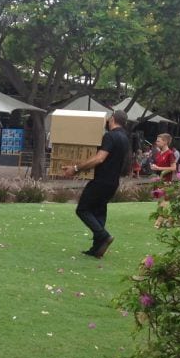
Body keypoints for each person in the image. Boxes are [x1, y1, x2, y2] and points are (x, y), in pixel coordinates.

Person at [61, 109, 130, 258]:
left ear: (112, 119)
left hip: (101, 181)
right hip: (113, 182)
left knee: (83, 209)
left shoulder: (110, 136)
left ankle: (104, 236)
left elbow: (99, 158)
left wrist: (75, 168)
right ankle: (96, 249)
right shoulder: (125, 138)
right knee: (98, 211)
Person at [149, 133, 178, 227]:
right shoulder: (158, 153)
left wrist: (158, 168)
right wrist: (154, 167)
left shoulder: (170, 153)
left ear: (165, 142)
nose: (156, 142)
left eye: (158, 141)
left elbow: (173, 168)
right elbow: (159, 166)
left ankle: (159, 221)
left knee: (164, 201)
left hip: (166, 181)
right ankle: (170, 220)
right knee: (161, 202)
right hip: (158, 181)